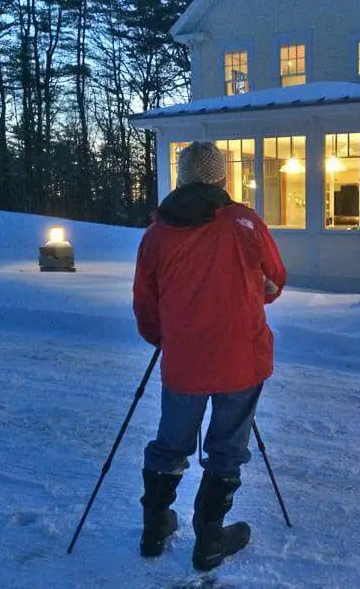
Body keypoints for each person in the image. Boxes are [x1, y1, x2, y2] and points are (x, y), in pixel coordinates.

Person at [132, 141, 286, 571]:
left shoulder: (158, 232)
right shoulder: (244, 222)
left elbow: (146, 303)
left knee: (171, 443)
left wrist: (165, 336)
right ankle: (209, 538)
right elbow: (276, 277)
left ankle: (154, 527)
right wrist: (253, 293)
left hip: (184, 361)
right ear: (222, 179)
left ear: (181, 179)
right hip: (241, 357)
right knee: (226, 448)